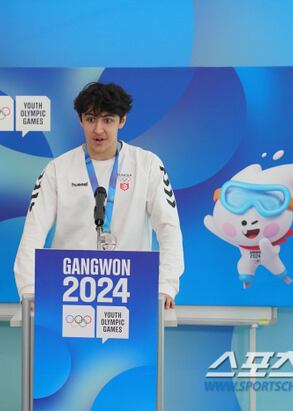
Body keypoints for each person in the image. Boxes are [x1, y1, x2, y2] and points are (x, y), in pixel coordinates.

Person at [13, 82, 184, 308]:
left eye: (108, 120)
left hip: (131, 289)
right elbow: (33, 231)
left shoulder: (148, 165)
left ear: (122, 121)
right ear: (81, 120)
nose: (98, 129)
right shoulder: (57, 169)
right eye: (91, 119)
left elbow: (168, 227)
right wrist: (29, 288)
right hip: (69, 289)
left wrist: (165, 286)